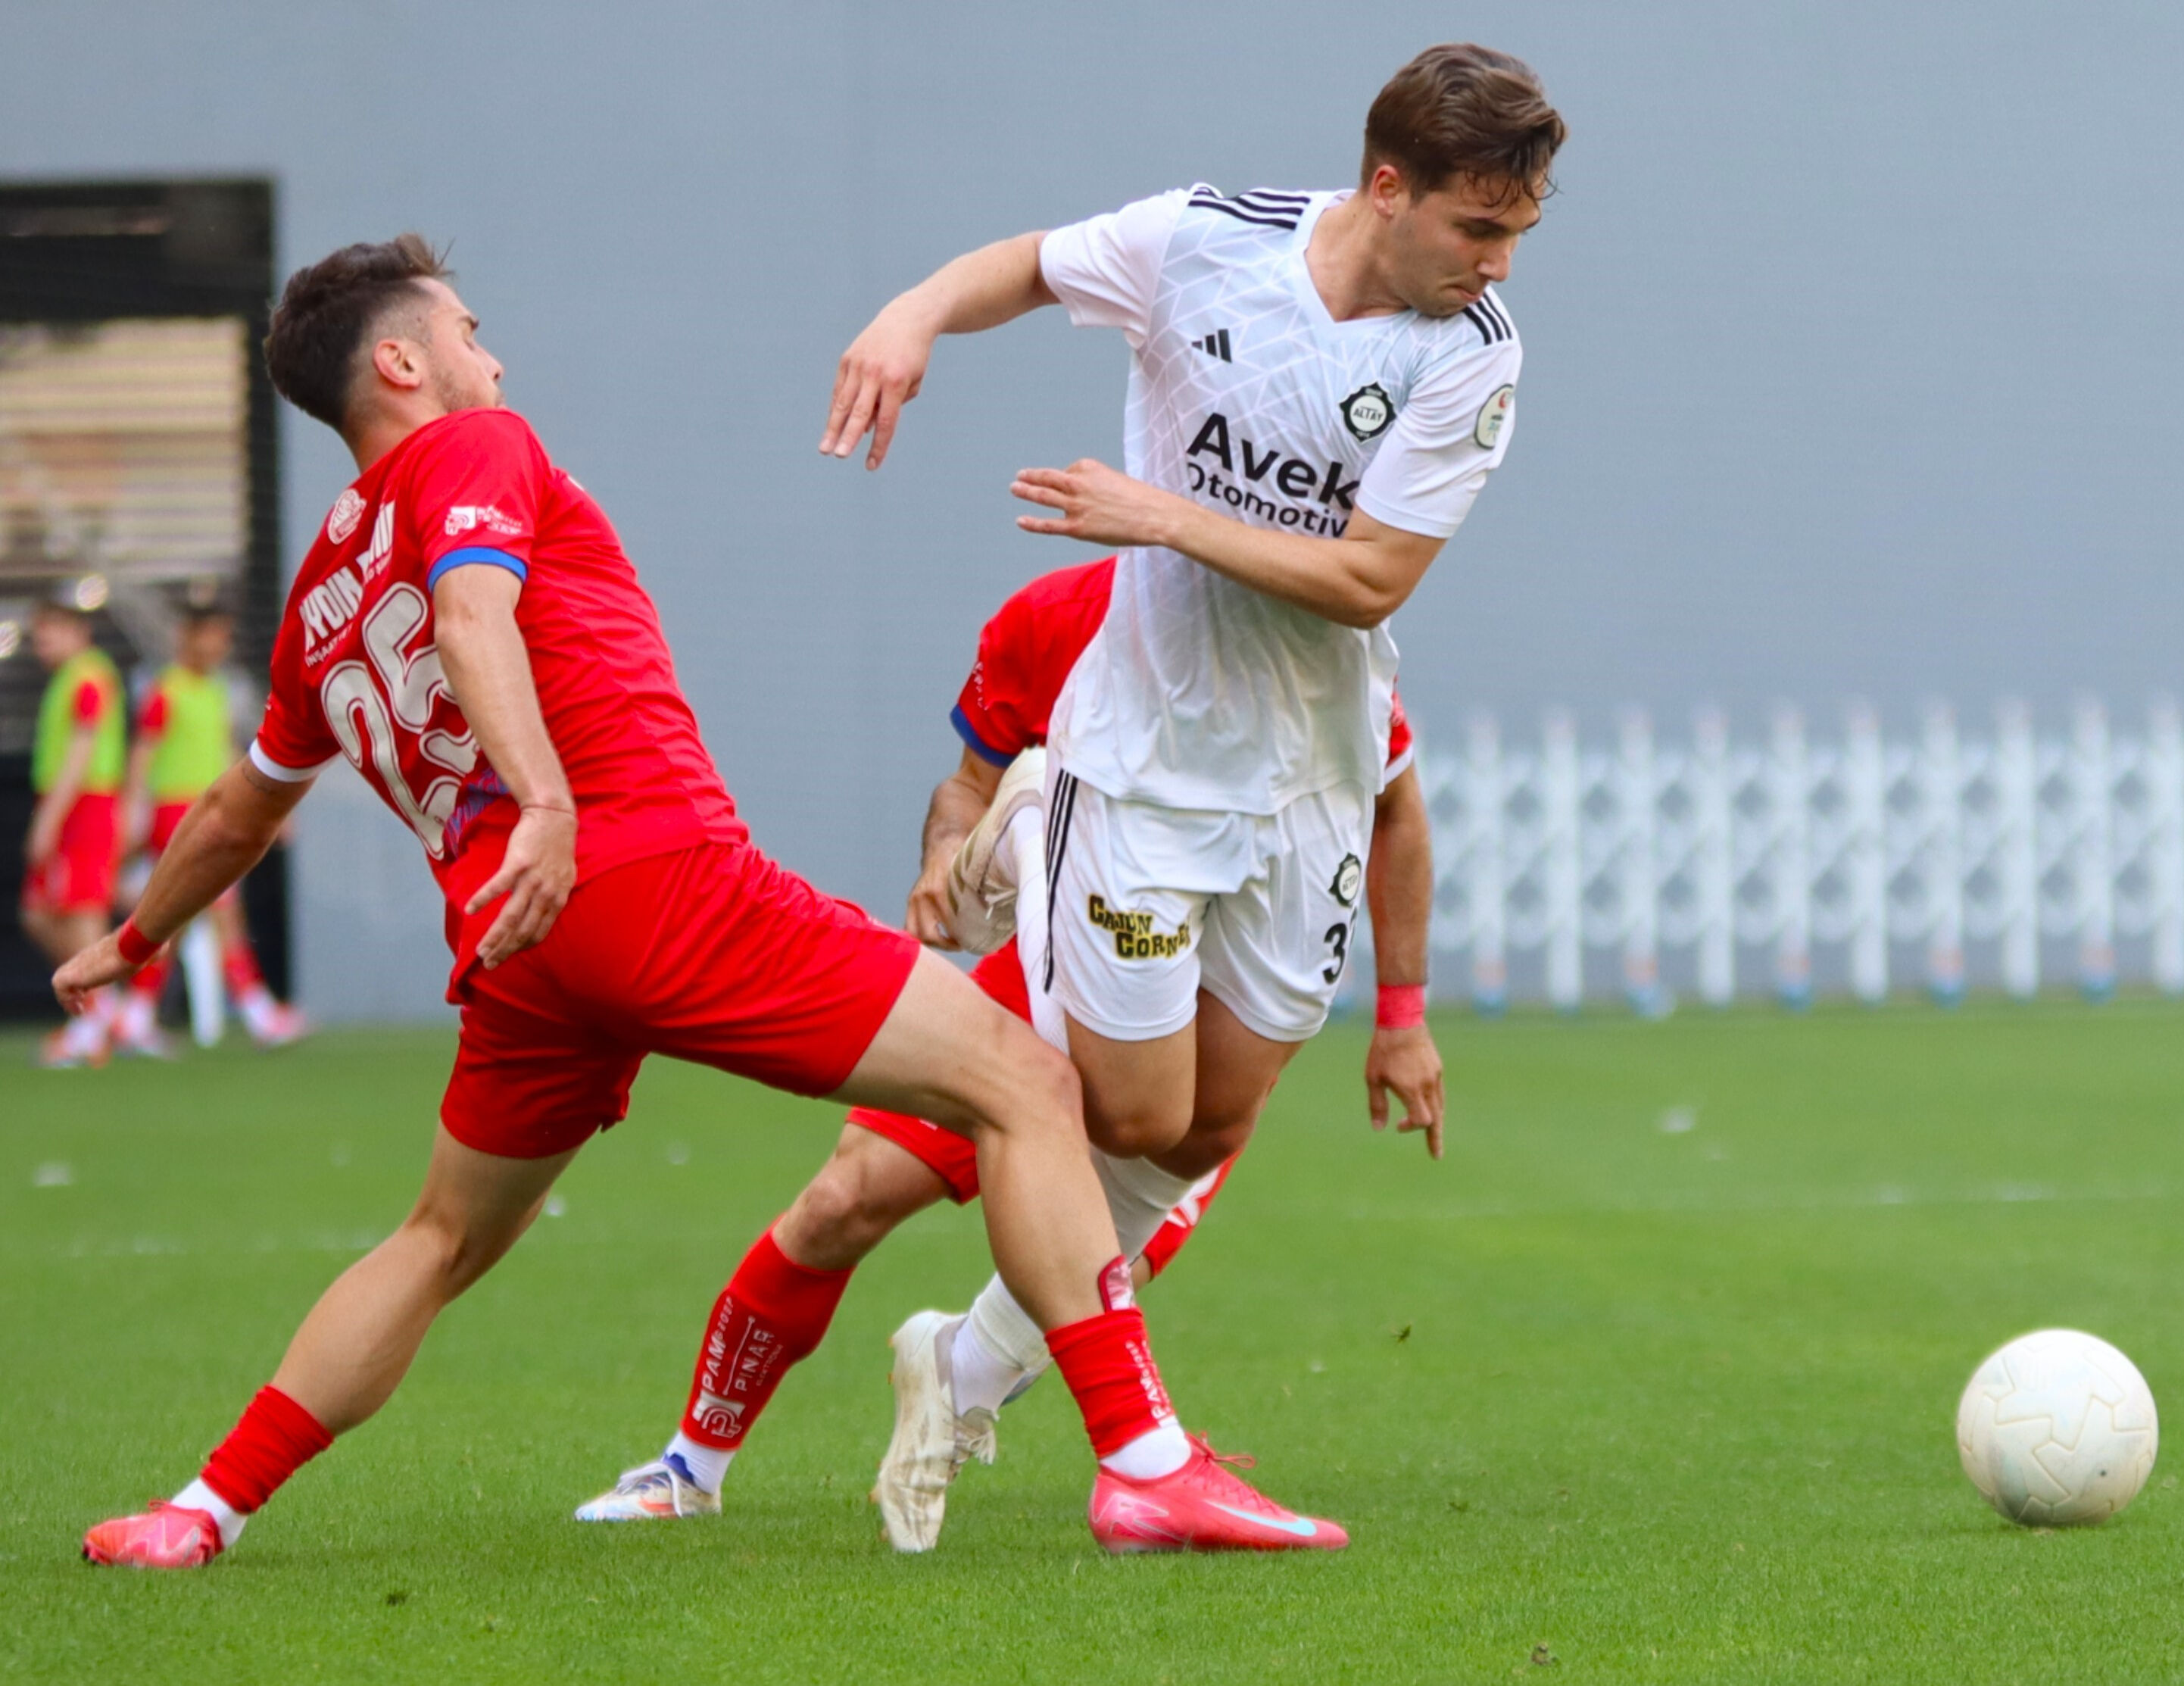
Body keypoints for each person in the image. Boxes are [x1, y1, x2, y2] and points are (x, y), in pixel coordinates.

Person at [67, 234, 1335, 1569]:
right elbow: (470, 617)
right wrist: (549, 804)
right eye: (468, 332)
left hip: (513, 946)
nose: (489, 358)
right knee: (1025, 1086)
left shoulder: (320, 592)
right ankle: (1142, 1463)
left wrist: (136, 938)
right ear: (401, 361)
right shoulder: (472, 449)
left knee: (437, 1238)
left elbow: (241, 805)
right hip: (644, 877)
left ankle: (200, 1509)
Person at [816, 40, 1555, 1506]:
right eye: (1478, 229)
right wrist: (910, 316)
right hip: (1143, 764)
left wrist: (1160, 516)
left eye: (1519, 235)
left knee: (1215, 1127)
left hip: (1310, 783)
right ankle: (1041, 835)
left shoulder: (1471, 359)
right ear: (1386, 188)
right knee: (1136, 1118)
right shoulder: (1206, 242)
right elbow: (1026, 264)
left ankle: (965, 1366)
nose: (1499, 266)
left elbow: (1364, 582)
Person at [574, 555, 1442, 1550]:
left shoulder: (1293, 624)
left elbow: (1393, 807)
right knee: (844, 1197)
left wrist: (1402, 1014)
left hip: (1196, 1015)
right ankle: (689, 1465)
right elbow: (962, 784)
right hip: (1049, 976)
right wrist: (946, 854)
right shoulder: (1049, 618)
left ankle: (965, 1383)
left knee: (1092, 1250)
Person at [114, 601, 307, 1054]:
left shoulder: (217, 692)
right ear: (189, 635)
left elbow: (227, 755)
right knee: (223, 916)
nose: (219, 644)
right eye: (212, 634)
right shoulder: (166, 691)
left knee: (172, 921)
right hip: (178, 815)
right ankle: (260, 1014)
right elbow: (142, 758)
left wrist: (268, 809)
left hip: (210, 811)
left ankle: (134, 1018)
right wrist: (129, 816)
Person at [21, 590, 126, 1069]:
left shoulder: (86, 677)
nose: (43, 647)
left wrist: (49, 818)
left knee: (82, 909)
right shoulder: (72, 678)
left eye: (51, 635)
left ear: (77, 632)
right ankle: (103, 1010)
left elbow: (81, 752)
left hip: (84, 806)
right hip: (74, 805)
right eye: (38, 639)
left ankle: (95, 1021)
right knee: (40, 911)